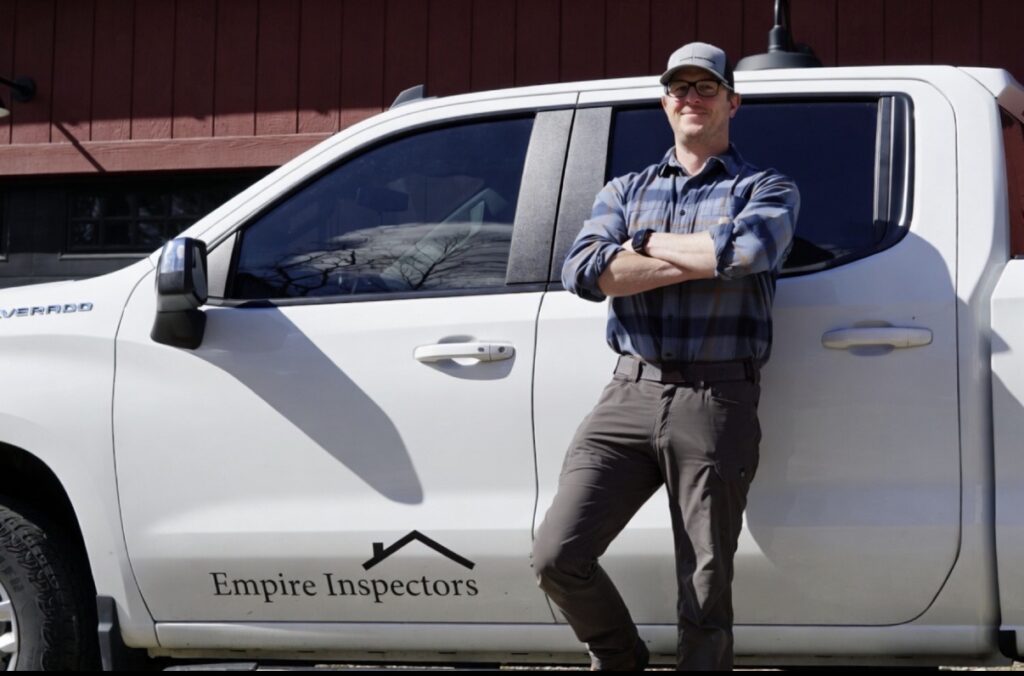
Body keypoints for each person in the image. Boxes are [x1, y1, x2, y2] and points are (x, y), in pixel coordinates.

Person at [531, 42, 800, 671]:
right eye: (679, 89)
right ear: (664, 102)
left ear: (733, 100)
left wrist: (644, 244)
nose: (691, 99)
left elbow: (746, 253)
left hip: (716, 397)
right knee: (556, 555)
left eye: (706, 88)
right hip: (628, 393)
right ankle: (621, 659)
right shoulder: (625, 187)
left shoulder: (766, 186)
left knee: (704, 586)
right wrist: (697, 257)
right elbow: (585, 271)